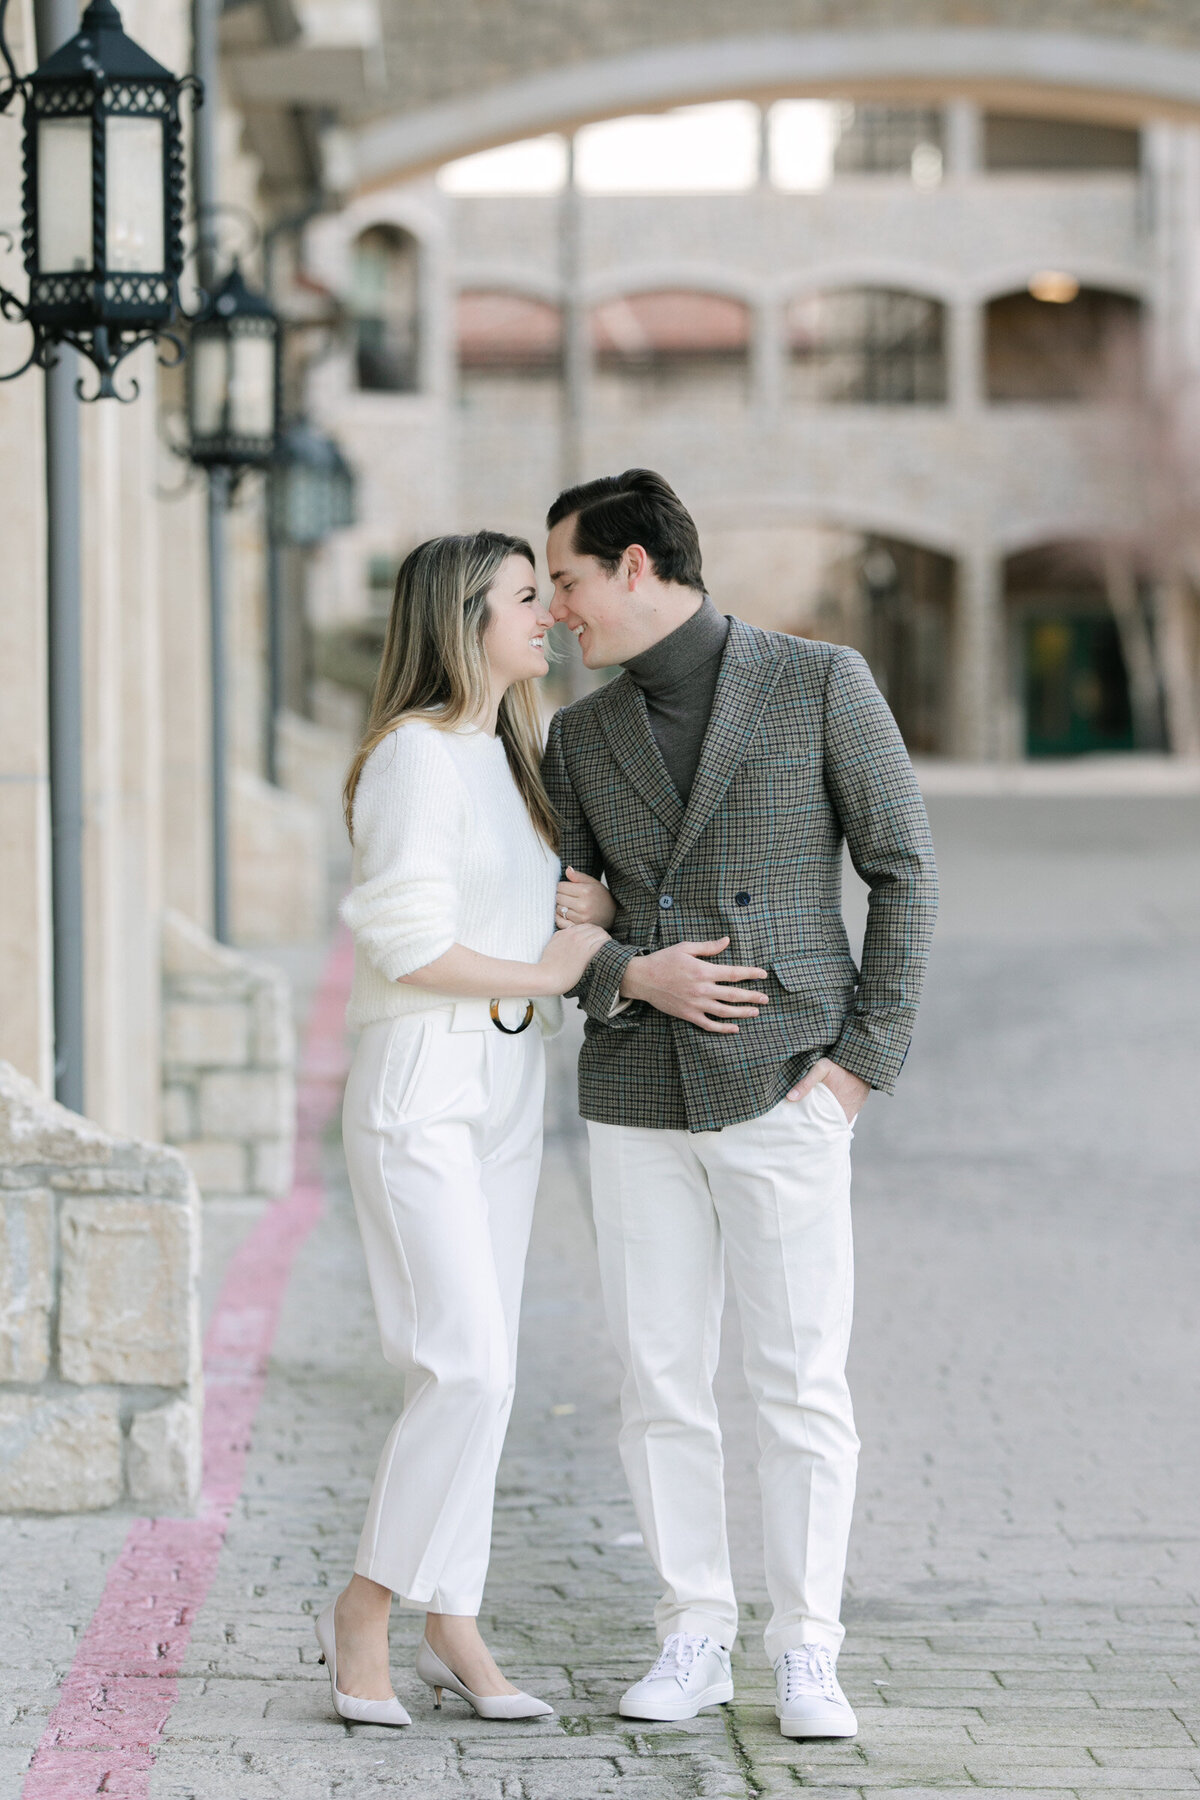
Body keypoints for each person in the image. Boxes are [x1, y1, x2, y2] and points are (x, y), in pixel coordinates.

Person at [541, 470, 938, 1740]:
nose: (557, 610)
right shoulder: (579, 737)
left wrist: (860, 1064)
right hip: (634, 1089)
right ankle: (692, 1631)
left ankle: (808, 1649)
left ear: (640, 565)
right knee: (659, 1376)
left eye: (568, 580)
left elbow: (906, 874)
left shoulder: (822, 681)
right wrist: (622, 973)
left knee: (798, 1381)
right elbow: (553, 922)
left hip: (786, 1084)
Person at [320, 531, 609, 1728]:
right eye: (526, 598)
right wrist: (555, 966)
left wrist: (579, 908)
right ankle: (368, 1610)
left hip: (505, 1094)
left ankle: (457, 1619)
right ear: (461, 618)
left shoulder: (514, 752)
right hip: (420, 1088)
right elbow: (405, 942)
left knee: (485, 1378)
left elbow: (537, 903)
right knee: (464, 1363)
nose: (548, 615)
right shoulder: (411, 760)